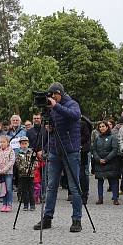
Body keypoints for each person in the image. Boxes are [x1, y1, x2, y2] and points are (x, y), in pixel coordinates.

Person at [34, 82, 84, 233]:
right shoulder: (51, 107)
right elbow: (51, 127)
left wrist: (56, 106)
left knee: (74, 187)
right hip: (55, 150)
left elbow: (75, 116)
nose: (52, 98)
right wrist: (49, 127)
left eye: (54, 94)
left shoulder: (72, 103)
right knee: (51, 186)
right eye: (50, 95)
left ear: (60, 93)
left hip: (70, 151)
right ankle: (47, 218)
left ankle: (77, 220)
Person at [91, 121, 120, 205]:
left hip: (111, 162)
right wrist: (98, 159)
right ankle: (100, 198)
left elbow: (115, 150)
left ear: (107, 127)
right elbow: (94, 150)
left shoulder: (113, 137)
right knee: (100, 180)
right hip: (99, 162)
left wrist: (106, 159)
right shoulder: (97, 138)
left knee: (114, 180)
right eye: (100, 127)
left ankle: (115, 198)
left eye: (103, 126)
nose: (101, 128)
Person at [0, 135, 16, 212]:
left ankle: (9, 204)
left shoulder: (11, 151)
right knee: (3, 189)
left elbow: (11, 161)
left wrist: (4, 170)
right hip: (0, 173)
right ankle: (4, 204)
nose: (2, 143)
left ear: (8, 143)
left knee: (8, 188)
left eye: (4, 142)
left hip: (8, 173)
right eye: (1, 142)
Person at [15, 137, 36, 211]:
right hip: (22, 174)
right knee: (24, 190)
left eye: (25, 143)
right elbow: (17, 163)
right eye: (22, 144)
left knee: (31, 189)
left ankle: (32, 204)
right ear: (20, 145)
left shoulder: (32, 152)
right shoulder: (18, 153)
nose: (24, 145)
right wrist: (24, 169)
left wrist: (30, 169)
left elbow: (35, 163)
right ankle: (25, 205)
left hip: (31, 175)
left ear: (28, 144)